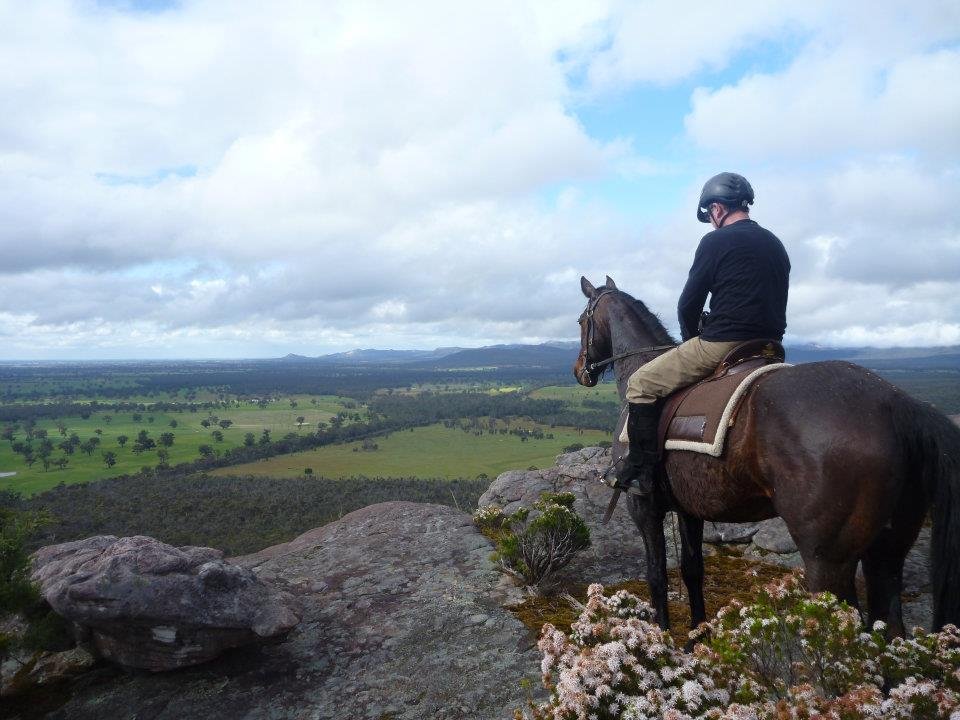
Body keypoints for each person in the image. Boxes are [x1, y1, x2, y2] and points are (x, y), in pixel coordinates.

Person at [614, 172, 790, 496]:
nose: (711, 220)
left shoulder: (715, 241)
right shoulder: (775, 244)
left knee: (641, 383)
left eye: (709, 214)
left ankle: (642, 473)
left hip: (723, 344)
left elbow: (688, 304)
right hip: (770, 348)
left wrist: (691, 336)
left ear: (718, 209)